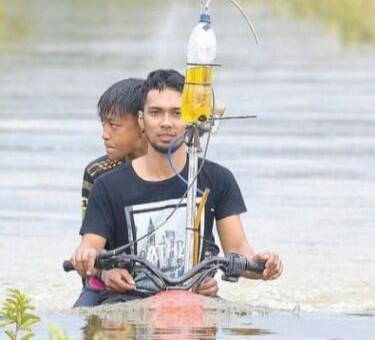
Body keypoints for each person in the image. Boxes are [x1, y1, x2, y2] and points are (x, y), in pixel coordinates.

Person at [70, 69, 282, 305]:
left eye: (177, 113)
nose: (166, 123)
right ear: (142, 120)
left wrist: (263, 265)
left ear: (189, 118)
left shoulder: (217, 179)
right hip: (125, 298)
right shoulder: (105, 183)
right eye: (156, 113)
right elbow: (89, 247)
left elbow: (239, 250)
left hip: (194, 295)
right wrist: (91, 261)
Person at [75, 77, 147, 307]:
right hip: (106, 283)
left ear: (143, 122)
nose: (104, 134)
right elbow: (90, 247)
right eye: (103, 125)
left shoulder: (174, 168)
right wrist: (105, 273)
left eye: (113, 125)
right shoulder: (98, 174)